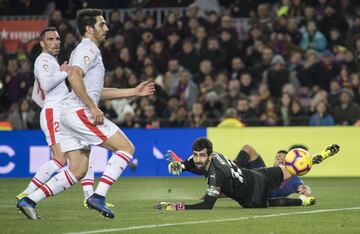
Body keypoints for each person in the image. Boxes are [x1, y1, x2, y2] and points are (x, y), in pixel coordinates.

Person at [17, 9, 155, 220]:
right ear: (89, 29)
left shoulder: (85, 50)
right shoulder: (87, 48)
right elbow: (74, 76)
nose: (106, 28)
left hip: (69, 113)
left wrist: (133, 91)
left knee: (78, 169)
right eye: (101, 24)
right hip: (78, 112)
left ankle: (30, 199)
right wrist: (92, 107)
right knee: (126, 148)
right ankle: (98, 196)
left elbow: (97, 92)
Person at [155, 137, 339, 211]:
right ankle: (312, 160)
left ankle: (302, 200)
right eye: (195, 155)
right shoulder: (214, 156)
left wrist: (178, 206)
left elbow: (207, 205)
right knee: (289, 169)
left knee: (271, 202)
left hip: (252, 196)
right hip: (257, 174)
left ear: (209, 154)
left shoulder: (216, 174)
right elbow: (195, 163)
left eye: (201, 155)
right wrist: (182, 166)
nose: (198, 158)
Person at [15, 27, 70, 201]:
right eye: (51, 39)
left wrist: (48, 105)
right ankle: (28, 193)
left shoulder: (50, 61)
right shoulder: (43, 60)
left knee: (79, 152)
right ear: (42, 43)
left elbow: (34, 94)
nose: (56, 43)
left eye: (58, 39)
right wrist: (64, 73)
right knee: (60, 158)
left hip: (56, 112)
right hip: (53, 113)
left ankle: (90, 196)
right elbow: (46, 85)